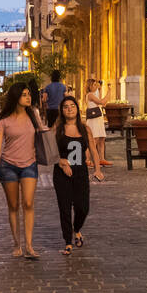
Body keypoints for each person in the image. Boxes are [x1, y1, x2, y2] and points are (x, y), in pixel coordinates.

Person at [0, 82, 48, 259]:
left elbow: (44, 133)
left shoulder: (34, 115)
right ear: (15, 97)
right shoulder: (3, 120)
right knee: (13, 206)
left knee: (28, 203)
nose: (29, 97)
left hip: (30, 164)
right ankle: (17, 243)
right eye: (24, 94)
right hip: (8, 166)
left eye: (29, 94)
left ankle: (29, 245)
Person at [53, 96, 103, 255]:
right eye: (66, 106)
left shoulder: (84, 128)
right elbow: (50, 151)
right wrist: (61, 162)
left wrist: (97, 169)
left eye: (72, 106)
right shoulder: (58, 128)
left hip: (80, 172)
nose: (69, 109)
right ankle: (68, 242)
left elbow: (94, 150)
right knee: (65, 208)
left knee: (83, 207)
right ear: (62, 110)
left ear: (76, 108)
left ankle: (77, 229)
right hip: (62, 174)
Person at [84, 78, 111, 167]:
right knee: (93, 140)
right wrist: (109, 92)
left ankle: (101, 159)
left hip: (98, 118)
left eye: (96, 84)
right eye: (94, 85)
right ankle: (87, 160)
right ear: (90, 86)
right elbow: (102, 102)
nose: (96, 86)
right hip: (93, 120)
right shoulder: (90, 95)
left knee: (101, 139)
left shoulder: (94, 93)